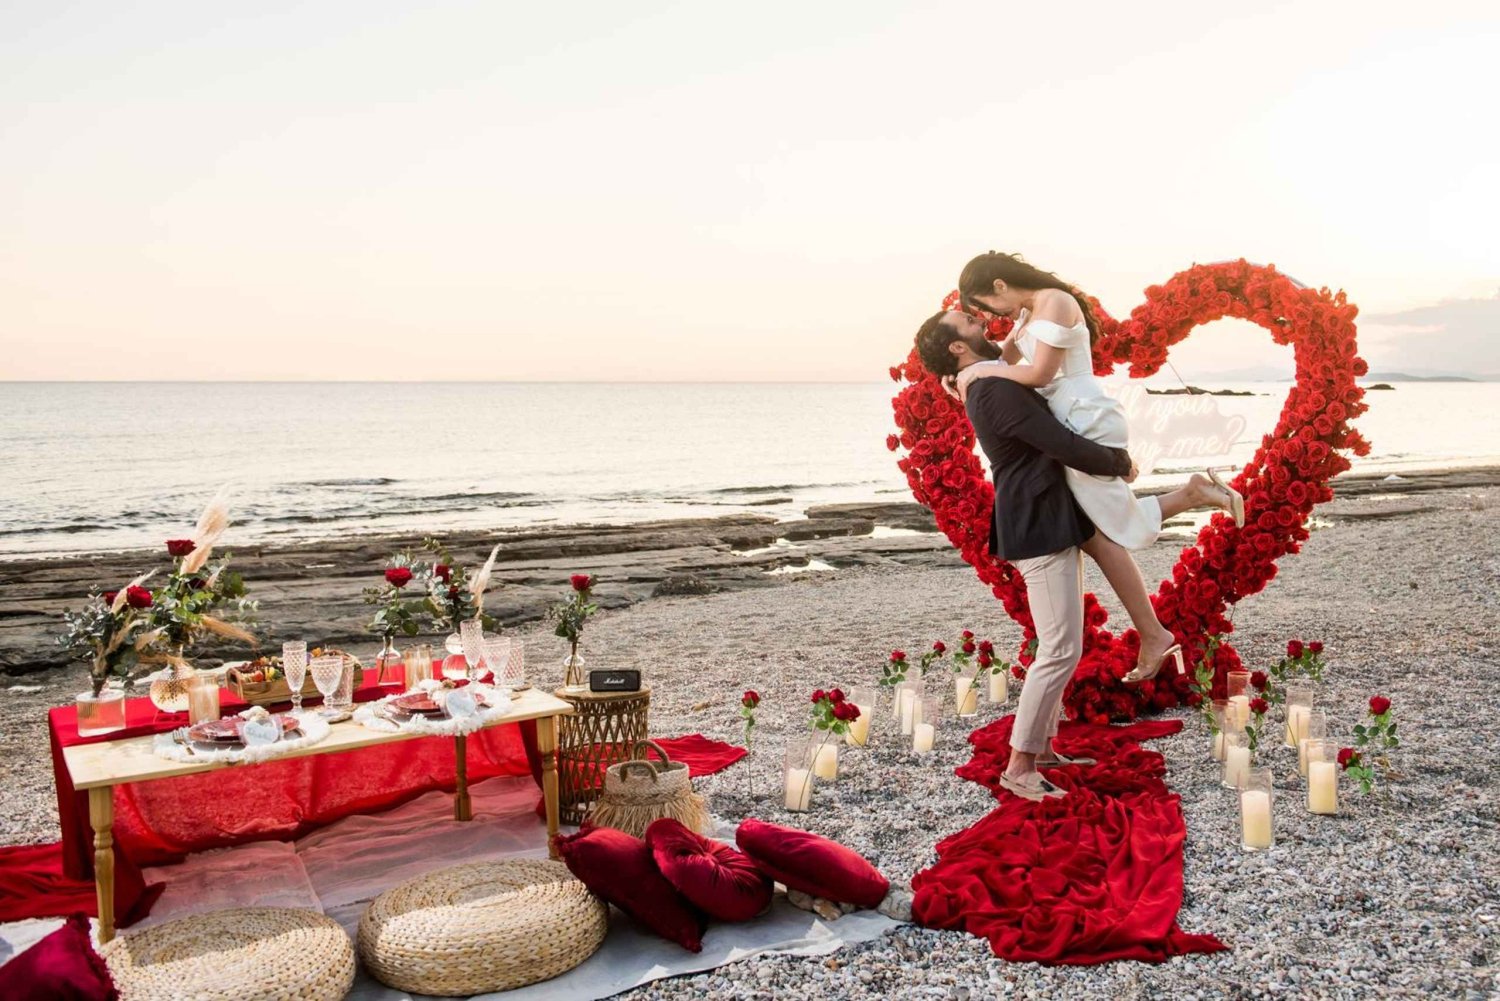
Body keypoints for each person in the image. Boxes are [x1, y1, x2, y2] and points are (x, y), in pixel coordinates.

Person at [946, 251, 1243, 684]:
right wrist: (978, 370)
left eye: (986, 305)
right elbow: (1012, 364)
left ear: (998, 286)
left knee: (1115, 526)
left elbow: (1041, 373)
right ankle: (1154, 628)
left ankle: (1193, 500)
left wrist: (979, 374)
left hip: (1085, 417)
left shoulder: (1056, 301)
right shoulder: (1028, 311)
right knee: (1098, 532)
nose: (991, 316)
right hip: (1064, 416)